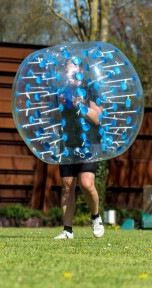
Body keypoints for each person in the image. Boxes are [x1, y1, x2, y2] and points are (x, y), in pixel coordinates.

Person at [54, 60, 105, 240]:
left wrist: (77, 103)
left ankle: (95, 216)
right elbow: (52, 118)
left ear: (81, 71)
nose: (72, 77)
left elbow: (97, 118)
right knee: (67, 186)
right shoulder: (61, 90)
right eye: (68, 73)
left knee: (86, 183)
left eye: (75, 72)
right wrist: (57, 105)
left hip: (90, 142)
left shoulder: (91, 88)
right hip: (68, 142)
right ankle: (67, 230)